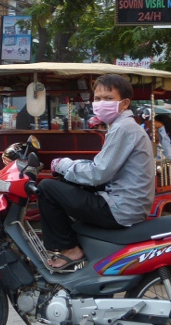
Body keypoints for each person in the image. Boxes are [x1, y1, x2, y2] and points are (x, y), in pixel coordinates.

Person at [40, 74, 155, 270]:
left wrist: (64, 165)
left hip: (120, 208)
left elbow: (98, 173)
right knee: (68, 185)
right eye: (98, 98)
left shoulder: (123, 128)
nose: (101, 103)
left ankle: (69, 249)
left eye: (108, 99)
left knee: (47, 188)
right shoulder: (123, 126)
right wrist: (71, 168)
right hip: (126, 204)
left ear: (124, 103)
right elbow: (102, 166)